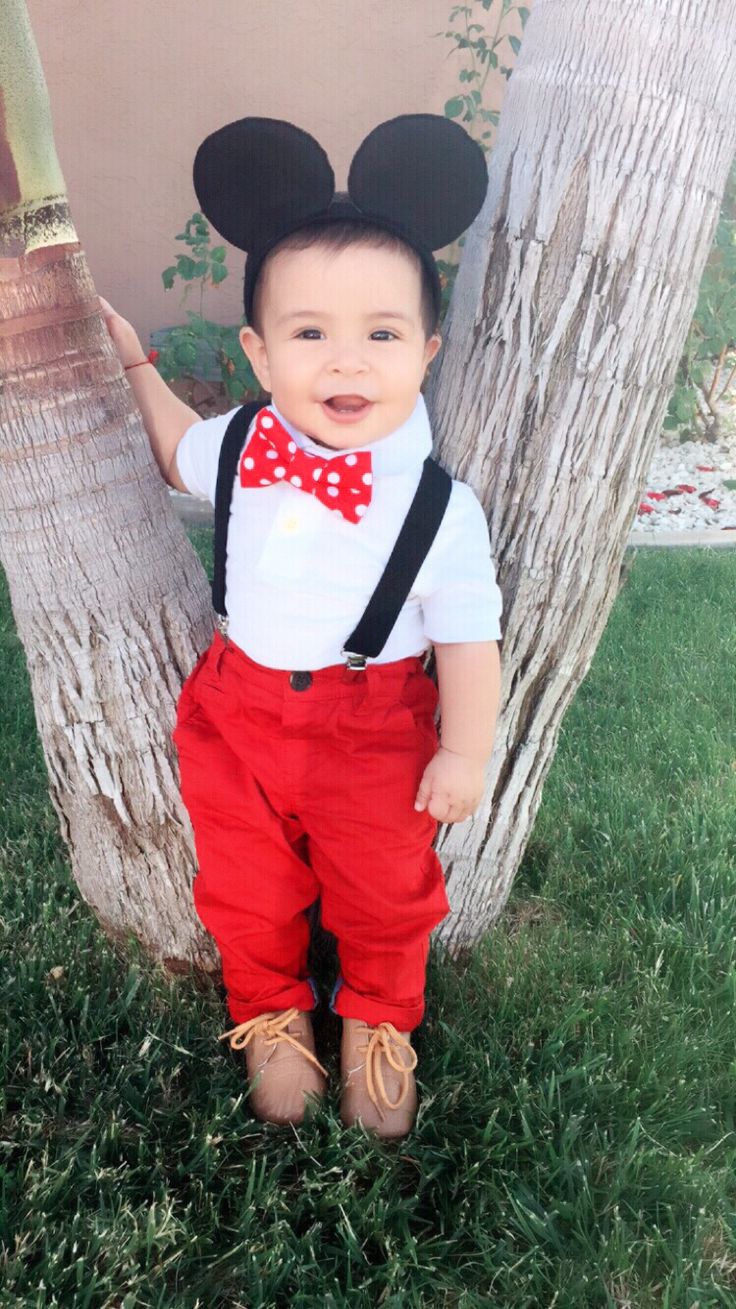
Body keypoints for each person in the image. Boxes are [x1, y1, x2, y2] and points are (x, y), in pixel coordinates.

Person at [101, 114, 503, 1140]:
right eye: (309, 331)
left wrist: (465, 746)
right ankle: (271, 1010)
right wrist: (137, 368)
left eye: (382, 333)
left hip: (375, 724)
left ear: (426, 350)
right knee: (244, 875)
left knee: (385, 883)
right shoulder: (241, 441)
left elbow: (466, 636)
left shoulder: (435, 505)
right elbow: (176, 452)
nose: (347, 362)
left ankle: (377, 1019)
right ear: (259, 350)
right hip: (237, 711)